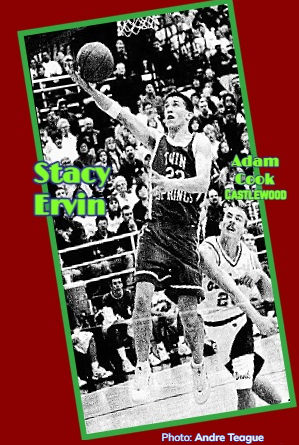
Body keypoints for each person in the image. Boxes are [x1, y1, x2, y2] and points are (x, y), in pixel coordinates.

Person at [69, 69, 277, 405]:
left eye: (177, 104)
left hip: (184, 236)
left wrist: (169, 184)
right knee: (141, 300)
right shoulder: (156, 140)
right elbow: (118, 113)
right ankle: (142, 368)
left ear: (189, 114)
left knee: (188, 311)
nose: (169, 108)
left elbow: (202, 183)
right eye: (167, 105)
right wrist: (91, 90)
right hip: (155, 231)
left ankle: (197, 364)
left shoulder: (200, 142)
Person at [198, 206, 281, 410]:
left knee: (243, 388)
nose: (232, 221)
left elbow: (269, 296)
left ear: (244, 229)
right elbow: (229, 286)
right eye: (228, 216)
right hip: (214, 328)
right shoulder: (208, 248)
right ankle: (283, 405)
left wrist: (259, 275)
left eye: (238, 219)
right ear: (220, 224)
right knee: (252, 379)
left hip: (239, 322)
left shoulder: (249, 255)